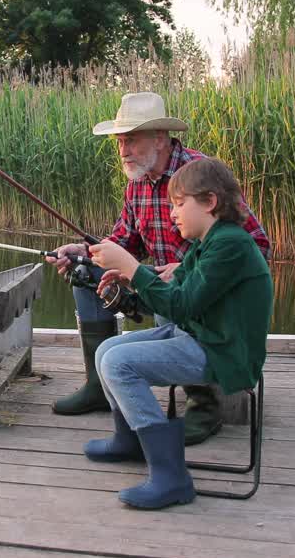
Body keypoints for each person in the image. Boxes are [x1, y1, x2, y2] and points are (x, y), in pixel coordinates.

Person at [46, 92, 270, 447]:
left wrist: (188, 267)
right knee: (85, 271)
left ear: (160, 138)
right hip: (162, 286)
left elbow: (257, 245)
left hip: (198, 298)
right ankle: (98, 385)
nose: (123, 151)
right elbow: (125, 239)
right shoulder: (136, 184)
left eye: (131, 140)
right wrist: (84, 251)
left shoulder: (200, 178)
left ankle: (204, 404)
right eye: (120, 142)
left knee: (174, 302)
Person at [84, 157, 274, 508]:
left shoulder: (231, 244)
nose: (173, 213)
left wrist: (129, 264)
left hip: (225, 352)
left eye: (179, 203)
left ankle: (172, 477)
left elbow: (183, 305)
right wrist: (133, 278)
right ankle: (129, 441)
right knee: (106, 350)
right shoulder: (209, 243)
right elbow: (176, 287)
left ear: (210, 202)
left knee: (119, 364)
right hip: (204, 337)